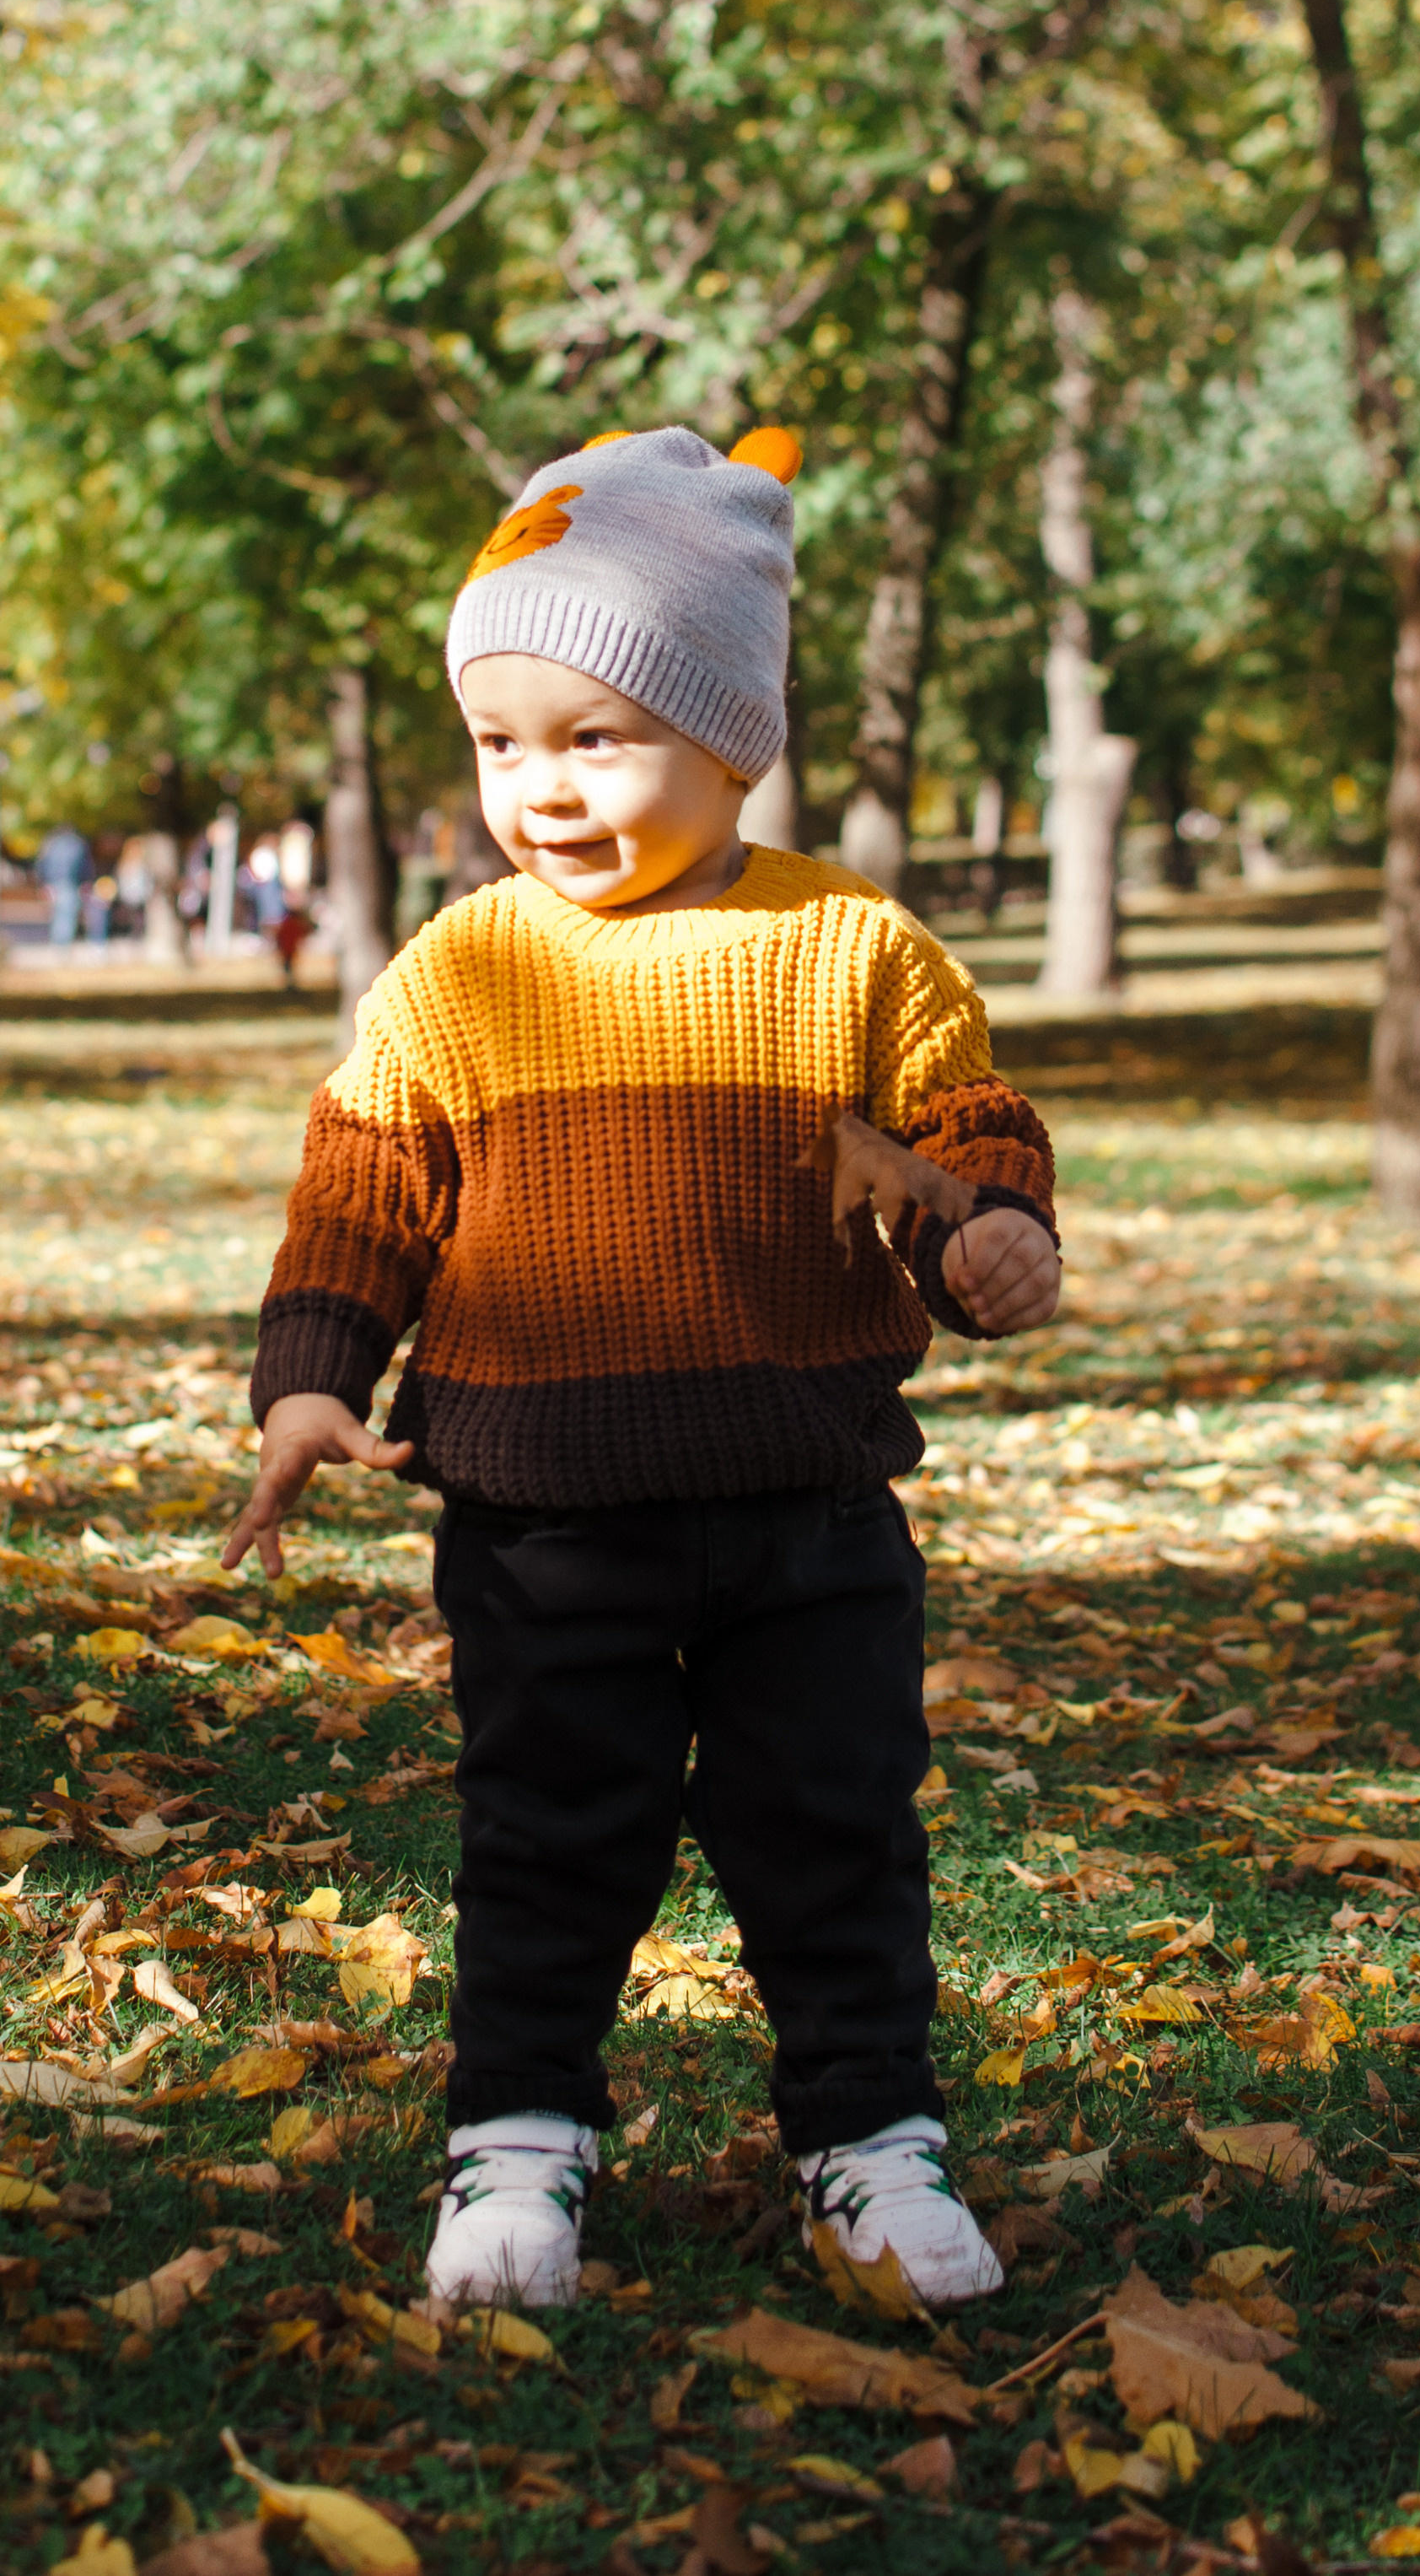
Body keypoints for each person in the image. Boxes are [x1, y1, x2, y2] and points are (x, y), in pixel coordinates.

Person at [223, 423, 1060, 2314]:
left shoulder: (851, 949)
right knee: (547, 1833)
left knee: (834, 1830)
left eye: (597, 735)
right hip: (540, 1519)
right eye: (502, 742)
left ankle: (871, 2140)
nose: (542, 787)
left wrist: (984, 1225)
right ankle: (517, 2144)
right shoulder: (455, 972)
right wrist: (307, 1379)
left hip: (806, 1506)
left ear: (735, 733)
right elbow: (362, 1187)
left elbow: (960, 1125)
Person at [35, 823, 93, 945]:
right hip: (70, 883)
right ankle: (63, 943)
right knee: (67, 914)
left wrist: (43, 884)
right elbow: (84, 867)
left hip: (52, 883)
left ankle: (58, 942)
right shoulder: (77, 844)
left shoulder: (50, 844)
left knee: (57, 913)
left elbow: (41, 864)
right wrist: (85, 882)